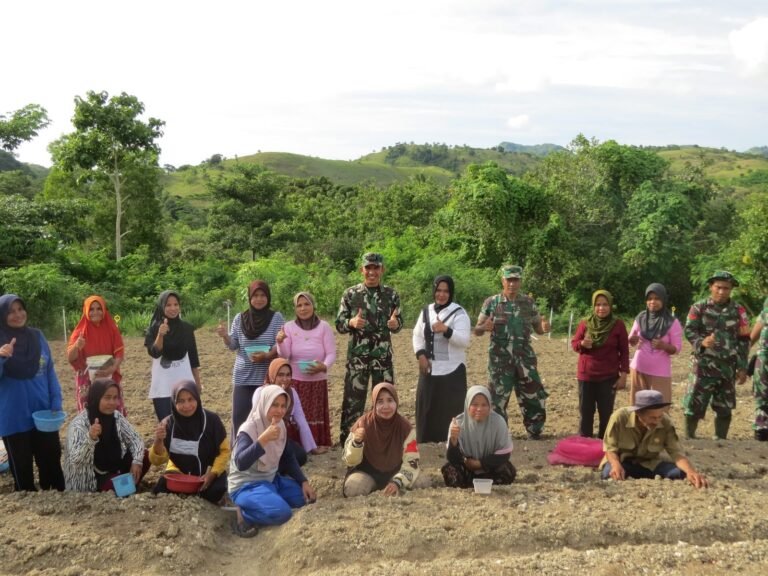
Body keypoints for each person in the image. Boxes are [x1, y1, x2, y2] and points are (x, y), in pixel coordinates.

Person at [228, 384, 316, 537]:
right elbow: (241, 462)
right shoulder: (249, 428)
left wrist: (303, 481)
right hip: (246, 485)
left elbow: (288, 456)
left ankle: (269, 498)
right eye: (274, 405)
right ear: (264, 403)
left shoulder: (280, 425)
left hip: (270, 479)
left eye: (283, 406)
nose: (280, 410)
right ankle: (243, 513)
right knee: (283, 513)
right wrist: (263, 440)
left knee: (303, 499)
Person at [474, 264, 550, 439]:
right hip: (500, 362)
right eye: (509, 280)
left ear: (521, 281)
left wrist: (545, 327)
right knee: (497, 400)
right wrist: (484, 327)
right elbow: (477, 330)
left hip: (525, 360)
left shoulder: (528, 303)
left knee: (534, 396)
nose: (512, 284)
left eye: (516, 280)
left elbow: (538, 329)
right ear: (503, 280)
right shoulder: (492, 302)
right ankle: (498, 435)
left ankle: (535, 430)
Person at [0, 294, 65, 492]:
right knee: (22, 469)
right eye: (11, 311)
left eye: (20, 309)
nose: (18, 315)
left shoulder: (37, 336)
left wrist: (55, 400)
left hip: (43, 413)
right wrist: (2, 357)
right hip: (14, 417)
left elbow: (49, 370)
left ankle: (58, 499)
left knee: (51, 462)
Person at [335, 253, 403, 444]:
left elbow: (399, 323)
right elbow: (339, 324)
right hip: (358, 358)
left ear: (382, 270)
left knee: (385, 399)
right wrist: (351, 322)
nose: (372, 272)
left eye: (376, 268)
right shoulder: (350, 294)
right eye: (368, 268)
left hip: (382, 359)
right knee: (353, 401)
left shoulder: (392, 295)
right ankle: (348, 440)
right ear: (362, 270)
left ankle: (384, 439)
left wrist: (394, 324)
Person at [682, 271, 750, 440]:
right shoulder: (699, 307)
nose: (722, 291)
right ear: (711, 287)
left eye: (726, 288)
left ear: (731, 289)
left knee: (725, 407)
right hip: (703, 366)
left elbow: (744, 339)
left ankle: (721, 440)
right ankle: (690, 437)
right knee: (694, 405)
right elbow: (689, 330)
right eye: (718, 287)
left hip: (727, 367)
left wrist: (742, 367)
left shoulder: (738, 311)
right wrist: (701, 342)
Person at [217, 280, 285, 437]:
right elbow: (233, 345)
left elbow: (280, 343)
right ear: (249, 298)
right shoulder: (240, 318)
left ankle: (262, 452)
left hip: (266, 378)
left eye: (262, 295)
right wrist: (225, 336)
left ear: (268, 297)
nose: (259, 299)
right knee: (240, 418)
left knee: (264, 418)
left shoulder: (276, 318)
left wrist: (267, 355)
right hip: (242, 377)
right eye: (255, 295)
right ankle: (238, 453)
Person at [601, 390, 708, 488]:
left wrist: (691, 471)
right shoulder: (619, 418)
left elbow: (677, 453)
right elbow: (610, 448)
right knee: (608, 474)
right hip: (622, 462)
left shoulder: (666, 422)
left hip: (649, 465)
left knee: (680, 474)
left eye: (659, 417)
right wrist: (615, 465)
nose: (657, 422)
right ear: (638, 413)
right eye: (652, 418)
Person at [412, 275, 471, 443]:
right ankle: (426, 445)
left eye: (446, 291)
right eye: (438, 290)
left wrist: (446, 330)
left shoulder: (459, 313)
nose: (441, 294)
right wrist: (421, 355)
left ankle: (452, 446)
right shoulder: (426, 311)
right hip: (429, 369)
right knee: (426, 410)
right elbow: (416, 336)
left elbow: (464, 340)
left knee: (450, 413)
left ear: (451, 293)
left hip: (452, 372)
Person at [150, 380, 230, 503]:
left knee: (214, 492)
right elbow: (157, 461)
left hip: (208, 474)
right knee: (160, 489)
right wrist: (158, 441)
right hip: (179, 476)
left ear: (197, 398)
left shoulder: (212, 421)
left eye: (190, 399)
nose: (187, 406)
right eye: (181, 401)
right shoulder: (168, 424)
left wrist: (213, 473)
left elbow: (224, 452)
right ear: (173, 402)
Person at [63, 379, 148, 492]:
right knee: (123, 490)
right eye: (107, 398)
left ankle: (129, 484)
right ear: (96, 398)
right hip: (90, 478)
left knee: (146, 455)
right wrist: (90, 438)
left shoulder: (116, 416)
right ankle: (124, 487)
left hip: (113, 468)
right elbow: (76, 460)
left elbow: (135, 439)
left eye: (115, 398)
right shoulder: (79, 424)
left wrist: (137, 462)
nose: (112, 402)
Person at [276, 292, 336, 452]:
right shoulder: (288, 327)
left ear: (313, 306)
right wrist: (279, 342)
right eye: (299, 305)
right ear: (295, 309)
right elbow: (285, 355)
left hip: (317, 380)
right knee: (297, 414)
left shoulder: (324, 327)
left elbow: (331, 353)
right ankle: (298, 444)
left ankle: (315, 444)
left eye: (306, 304)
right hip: (296, 379)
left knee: (315, 413)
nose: (303, 308)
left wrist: (323, 366)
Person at [342, 382, 420, 497]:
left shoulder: (405, 428)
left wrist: (397, 482)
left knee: (422, 482)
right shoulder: (362, 424)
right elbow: (349, 460)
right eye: (380, 402)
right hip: (367, 472)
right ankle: (374, 486)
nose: (386, 406)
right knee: (354, 489)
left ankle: (392, 485)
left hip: (396, 472)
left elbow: (412, 461)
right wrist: (357, 443)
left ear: (396, 402)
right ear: (374, 404)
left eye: (390, 400)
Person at [571, 290, 629, 439]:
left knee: (606, 413)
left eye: (605, 304)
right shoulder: (585, 323)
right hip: (586, 376)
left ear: (610, 306)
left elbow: (624, 352)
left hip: (608, 377)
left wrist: (623, 376)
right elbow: (575, 344)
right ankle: (585, 444)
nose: (601, 308)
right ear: (593, 306)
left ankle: (604, 445)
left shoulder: (618, 325)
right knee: (586, 412)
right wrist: (583, 344)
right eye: (598, 305)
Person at [441, 386, 515, 488]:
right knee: (450, 470)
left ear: (490, 406)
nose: (479, 409)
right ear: (467, 405)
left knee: (506, 469)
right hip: (467, 467)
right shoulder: (457, 424)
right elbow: (453, 459)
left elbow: (504, 455)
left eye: (484, 405)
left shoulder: (499, 422)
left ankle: (486, 484)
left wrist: (480, 464)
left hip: (489, 468)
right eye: (474, 405)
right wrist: (453, 441)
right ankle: (469, 485)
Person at [145, 290, 201, 421]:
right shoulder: (154, 328)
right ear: (161, 306)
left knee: (188, 423)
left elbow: (193, 358)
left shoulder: (187, 329)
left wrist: (197, 383)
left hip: (185, 383)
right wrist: (160, 335)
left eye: (176, 304)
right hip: (163, 385)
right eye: (168, 305)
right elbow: (154, 352)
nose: (173, 308)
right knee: (166, 424)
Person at [67, 295, 126, 414]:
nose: (95, 312)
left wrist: (112, 369)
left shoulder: (111, 328)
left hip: (109, 373)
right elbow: (70, 357)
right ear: (86, 311)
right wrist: (77, 346)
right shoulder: (80, 331)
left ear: (104, 310)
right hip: (87, 376)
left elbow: (119, 352)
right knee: (89, 413)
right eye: (91, 309)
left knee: (113, 410)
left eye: (99, 308)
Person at [628, 283, 683, 405]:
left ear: (663, 300)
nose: (653, 302)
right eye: (649, 299)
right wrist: (633, 340)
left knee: (659, 411)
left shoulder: (672, 322)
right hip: (638, 369)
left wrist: (663, 346)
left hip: (660, 373)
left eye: (657, 298)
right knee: (637, 408)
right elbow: (630, 339)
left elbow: (677, 349)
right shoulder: (641, 318)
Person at [256, 358, 315, 465]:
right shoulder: (261, 392)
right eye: (280, 375)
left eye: (288, 375)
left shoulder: (292, 393)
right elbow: (256, 419)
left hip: (280, 438)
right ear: (272, 376)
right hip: (262, 437)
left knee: (300, 456)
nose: (285, 379)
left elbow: (301, 420)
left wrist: (311, 447)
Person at [750, 297, 768, 441]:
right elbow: (761, 322)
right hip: (765, 355)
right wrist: (746, 349)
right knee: (762, 393)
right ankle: (761, 427)